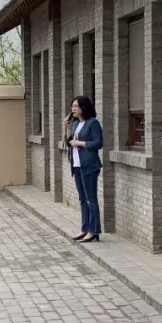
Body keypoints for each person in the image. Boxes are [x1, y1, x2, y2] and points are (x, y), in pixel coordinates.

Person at [65, 96, 103, 243]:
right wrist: (68, 127)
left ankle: (94, 231)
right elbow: (69, 143)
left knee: (90, 199)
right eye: (72, 106)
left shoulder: (93, 123)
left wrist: (81, 143)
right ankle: (85, 228)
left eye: (76, 106)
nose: (73, 108)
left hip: (89, 165)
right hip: (77, 165)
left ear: (83, 107)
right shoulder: (75, 124)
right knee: (82, 198)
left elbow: (98, 143)